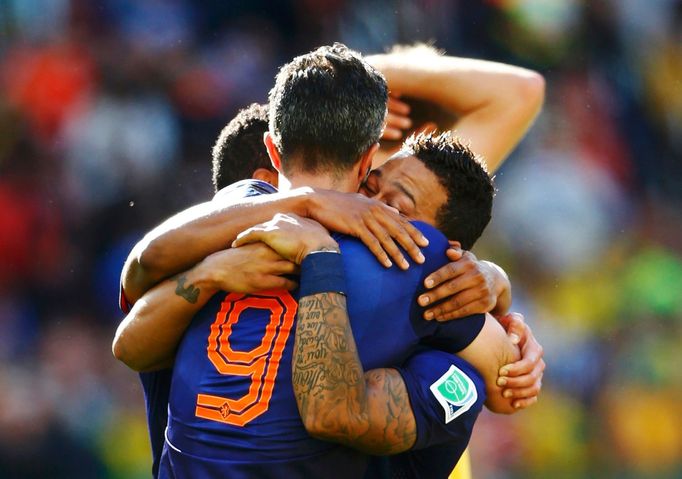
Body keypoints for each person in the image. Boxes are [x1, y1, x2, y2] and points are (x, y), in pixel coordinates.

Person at [115, 43, 522, 478]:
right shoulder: (413, 259)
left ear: (273, 153)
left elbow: (137, 289)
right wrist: (497, 297)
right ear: (368, 162)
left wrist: (494, 280)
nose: (381, 208)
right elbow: (508, 378)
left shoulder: (220, 228)